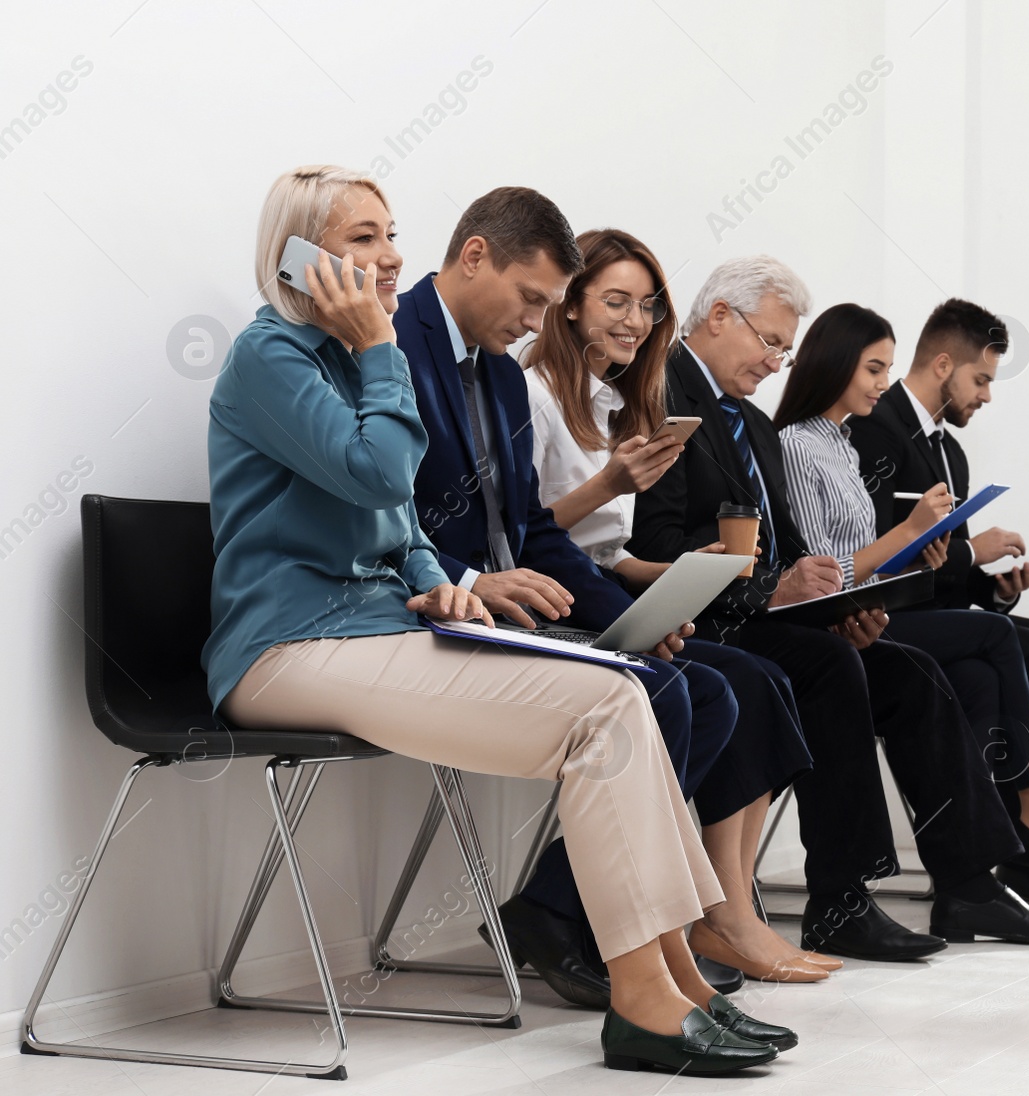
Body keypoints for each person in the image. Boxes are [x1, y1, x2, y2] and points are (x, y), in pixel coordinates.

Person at [204, 165, 784, 1073]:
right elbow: (383, 477)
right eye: (363, 238)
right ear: (297, 254)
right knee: (605, 710)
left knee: (627, 690)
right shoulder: (272, 354)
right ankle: (642, 998)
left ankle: (674, 975)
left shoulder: (348, 358)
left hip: (376, 630)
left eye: (390, 232)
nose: (391, 255)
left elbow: (397, 527)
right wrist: (378, 346)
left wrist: (440, 581)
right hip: (286, 645)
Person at [631, 256, 1029, 951]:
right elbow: (659, 542)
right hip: (715, 620)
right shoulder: (663, 398)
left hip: (764, 613)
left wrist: (833, 603)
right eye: (771, 342)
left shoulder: (753, 426)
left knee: (912, 672)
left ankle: (969, 885)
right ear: (720, 316)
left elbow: (789, 551)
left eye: (786, 348)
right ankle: (840, 898)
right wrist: (777, 588)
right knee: (834, 667)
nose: (778, 361)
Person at [392, 189, 757, 1001]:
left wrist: (625, 621)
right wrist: (467, 581)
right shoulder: (396, 347)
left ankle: (572, 913)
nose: (537, 319)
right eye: (532, 299)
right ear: (476, 255)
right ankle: (602, 927)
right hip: (431, 611)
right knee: (663, 690)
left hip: (509, 604)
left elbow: (534, 530)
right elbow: (395, 515)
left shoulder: (493, 373)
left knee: (708, 693)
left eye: (550, 305)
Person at [519, 227, 824, 982]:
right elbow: (521, 536)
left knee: (746, 687)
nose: (632, 320)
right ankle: (597, 908)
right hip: (544, 599)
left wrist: (693, 575)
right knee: (716, 689)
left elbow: (614, 553)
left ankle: (677, 906)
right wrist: (612, 488)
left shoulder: (608, 402)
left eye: (644, 306)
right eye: (614, 301)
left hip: (592, 588)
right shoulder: (530, 393)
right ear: (570, 303)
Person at [776, 303, 1029, 905]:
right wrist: (966, 553)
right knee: (1020, 650)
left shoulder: (923, 449)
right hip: (875, 613)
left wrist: (988, 584)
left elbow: (930, 564)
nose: (988, 397)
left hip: (906, 604)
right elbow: (862, 559)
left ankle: (989, 863)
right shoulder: (861, 434)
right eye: (982, 380)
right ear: (944, 365)